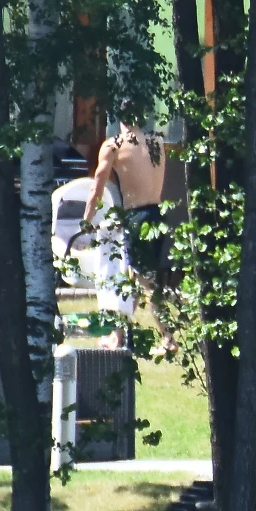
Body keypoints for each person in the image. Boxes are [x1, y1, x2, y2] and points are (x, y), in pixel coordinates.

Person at [83, 118, 168, 349]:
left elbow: (97, 186)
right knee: (133, 279)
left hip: (137, 217)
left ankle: (167, 336)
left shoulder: (114, 145)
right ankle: (117, 335)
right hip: (159, 215)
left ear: (120, 120)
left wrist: (86, 220)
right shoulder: (156, 142)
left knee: (144, 282)